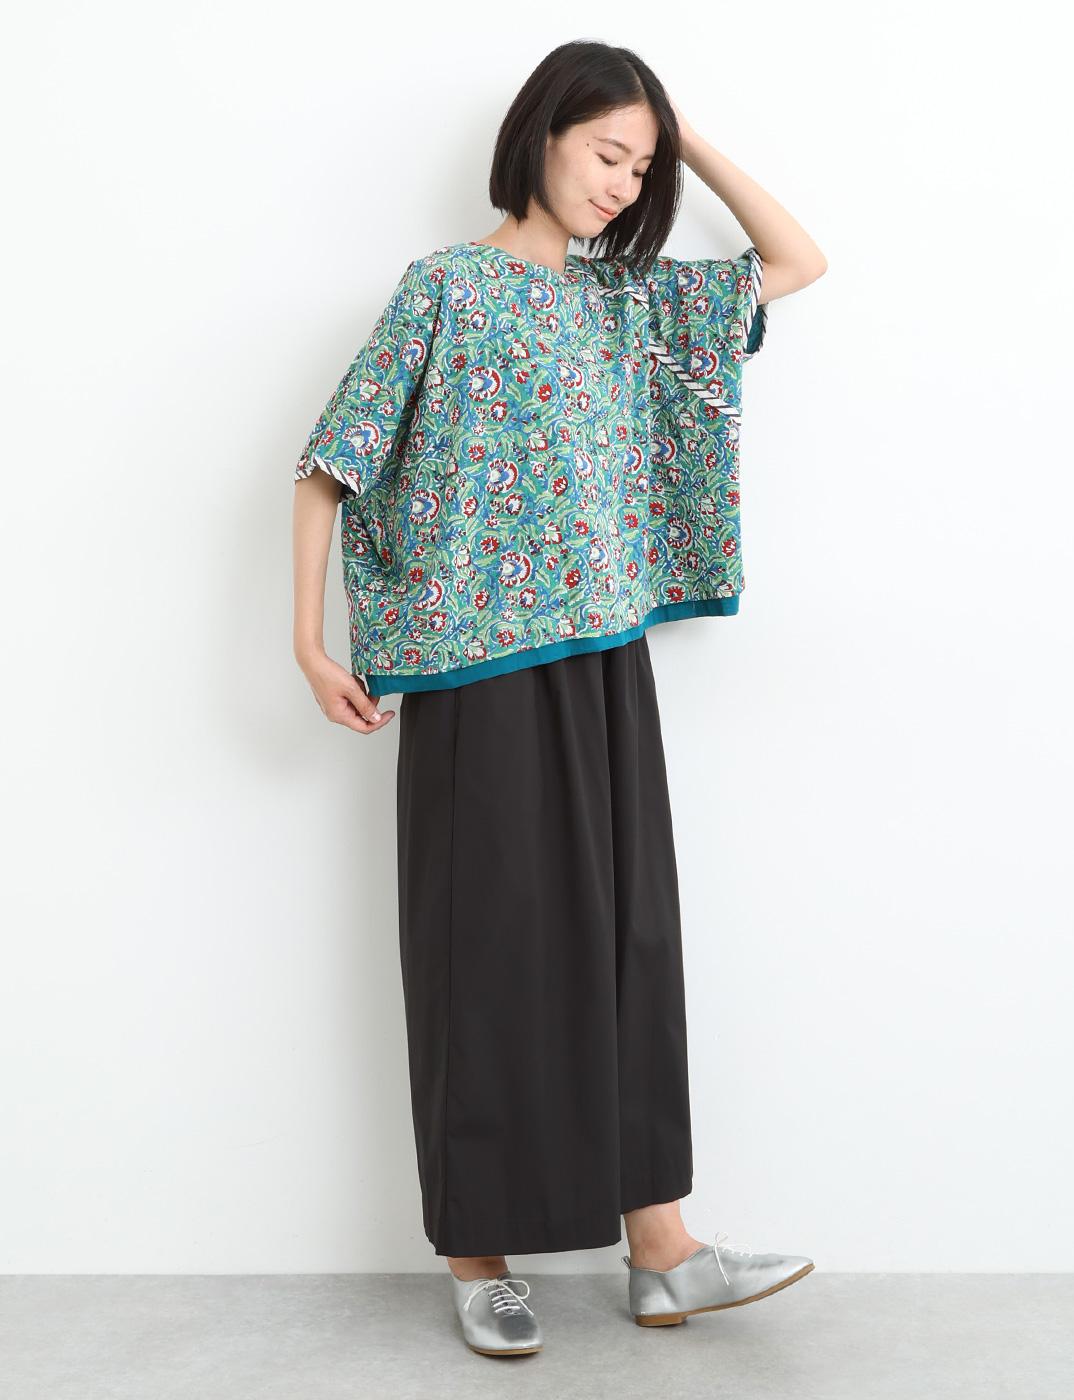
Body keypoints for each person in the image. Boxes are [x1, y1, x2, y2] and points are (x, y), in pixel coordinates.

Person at [291, 40, 828, 1358]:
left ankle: (663, 1249)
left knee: (633, 941)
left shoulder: (625, 301)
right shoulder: (445, 288)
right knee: (485, 950)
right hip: (471, 669)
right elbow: (331, 462)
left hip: (601, 657)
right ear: (540, 135)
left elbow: (798, 260)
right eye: (606, 152)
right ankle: (479, 1257)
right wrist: (310, 644)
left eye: (640, 167)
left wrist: (683, 141)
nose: (621, 183)